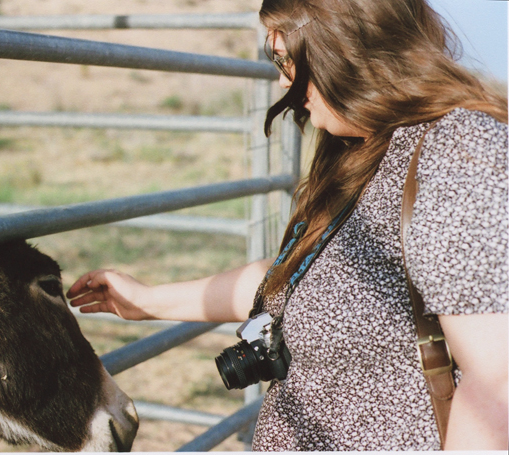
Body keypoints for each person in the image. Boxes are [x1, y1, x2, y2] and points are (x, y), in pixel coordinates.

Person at [67, 0, 508, 450]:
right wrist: (147, 300)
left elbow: (497, 382)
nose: (281, 80)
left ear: (343, 48)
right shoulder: (369, 143)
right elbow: (292, 280)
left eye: (285, 59)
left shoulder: (458, 152)